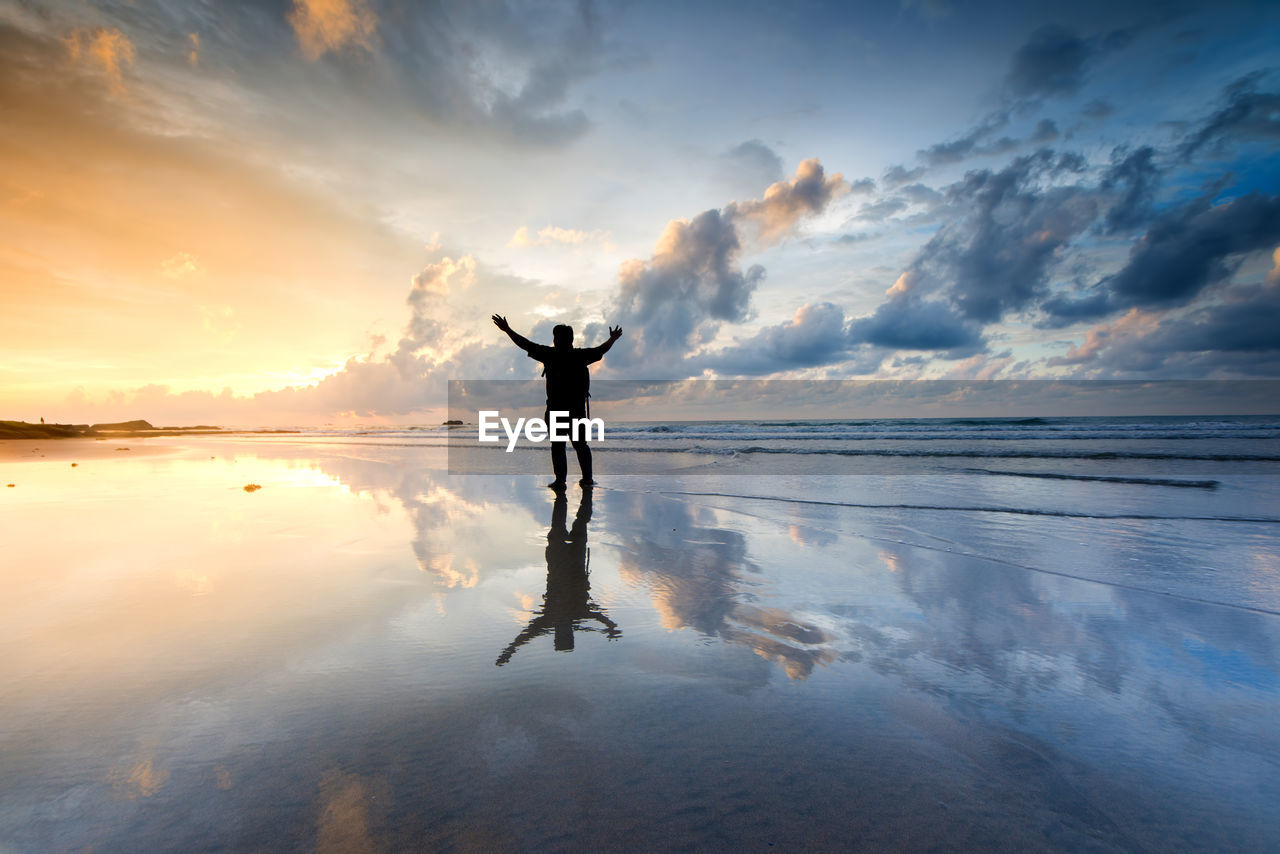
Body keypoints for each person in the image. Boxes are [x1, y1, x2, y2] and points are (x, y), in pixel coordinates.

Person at [492, 314, 622, 489]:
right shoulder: (580, 356)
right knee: (580, 445)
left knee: (558, 445)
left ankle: (561, 481)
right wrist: (612, 339)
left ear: (555, 339)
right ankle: (587, 479)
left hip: (556, 409)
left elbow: (525, 344)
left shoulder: (549, 355)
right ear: (571, 339)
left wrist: (507, 330)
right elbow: (601, 350)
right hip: (577, 410)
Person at [495, 488, 619, 666]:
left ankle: (562, 495)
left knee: (559, 524)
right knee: (580, 522)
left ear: (557, 632)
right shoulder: (578, 614)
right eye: (565, 631)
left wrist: (510, 650)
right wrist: (611, 627)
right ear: (569, 631)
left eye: (560, 631)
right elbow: (601, 618)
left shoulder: (548, 619)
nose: (562, 626)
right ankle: (577, 494)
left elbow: (526, 635)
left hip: (558, 560)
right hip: (574, 560)